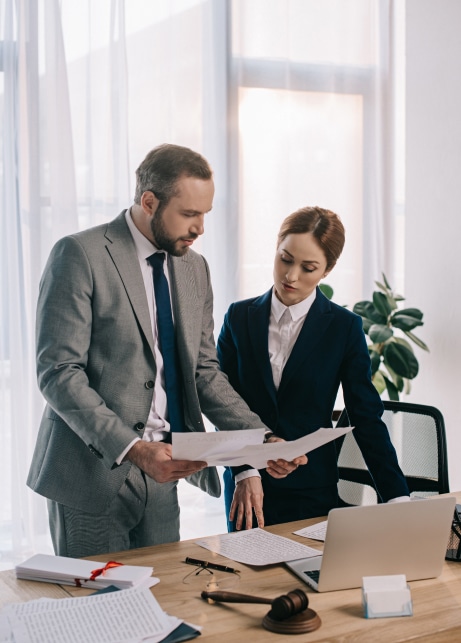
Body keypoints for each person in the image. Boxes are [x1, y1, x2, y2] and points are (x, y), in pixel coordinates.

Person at [27, 144, 306, 557]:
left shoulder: (195, 268)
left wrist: (260, 440)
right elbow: (59, 372)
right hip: (91, 474)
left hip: (164, 476)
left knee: (161, 602)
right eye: (190, 214)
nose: (200, 228)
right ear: (149, 202)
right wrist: (134, 449)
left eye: (205, 214)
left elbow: (204, 371)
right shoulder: (79, 254)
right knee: (97, 610)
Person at [218, 206, 410, 531]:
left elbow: (365, 416)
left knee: (312, 578)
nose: (291, 276)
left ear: (327, 270)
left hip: (311, 490)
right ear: (277, 247)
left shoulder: (344, 328)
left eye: (308, 268)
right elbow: (221, 400)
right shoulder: (239, 317)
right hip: (248, 484)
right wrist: (246, 469)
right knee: (246, 579)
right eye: (285, 258)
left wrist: (397, 498)